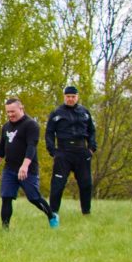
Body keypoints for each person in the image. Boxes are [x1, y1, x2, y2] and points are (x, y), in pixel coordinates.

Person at [0, 98, 58, 229]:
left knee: (34, 198)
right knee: (6, 197)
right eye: (8, 112)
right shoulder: (6, 126)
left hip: (28, 169)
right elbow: (1, 148)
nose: (10, 115)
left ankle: (51, 215)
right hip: (9, 168)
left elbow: (31, 146)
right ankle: (5, 229)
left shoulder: (31, 125)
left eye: (13, 111)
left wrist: (25, 165)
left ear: (21, 108)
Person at [46, 85, 96, 217]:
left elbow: (92, 131)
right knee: (58, 184)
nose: (70, 99)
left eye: (73, 97)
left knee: (86, 184)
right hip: (63, 151)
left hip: (81, 151)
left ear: (77, 97)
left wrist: (91, 148)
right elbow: (49, 133)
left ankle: (86, 212)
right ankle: (53, 213)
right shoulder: (56, 113)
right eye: (68, 97)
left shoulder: (84, 112)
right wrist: (53, 151)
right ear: (64, 97)